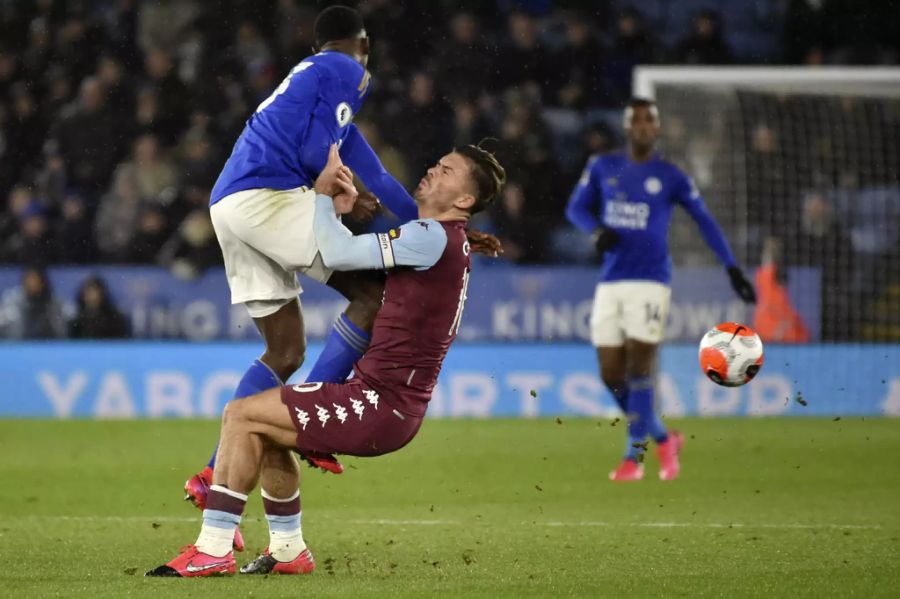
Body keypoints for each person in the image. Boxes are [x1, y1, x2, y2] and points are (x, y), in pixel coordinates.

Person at [183, 5, 501, 538]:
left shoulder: (315, 89)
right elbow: (319, 157)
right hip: (265, 198)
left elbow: (375, 174)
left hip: (230, 205)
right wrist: (339, 199)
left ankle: (212, 476)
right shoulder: (346, 71)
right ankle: (310, 427)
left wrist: (452, 231)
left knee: (285, 350)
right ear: (363, 46)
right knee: (377, 293)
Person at [146, 142, 505, 577]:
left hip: (375, 404)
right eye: (437, 162)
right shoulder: (444, 240)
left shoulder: (429, 238)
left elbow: (335, 254)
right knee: (269, 430)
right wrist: (339, 209)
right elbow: (369, 244)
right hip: (388, 406)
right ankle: (287, 550)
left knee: (240, 416)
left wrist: (320, 196)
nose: (432, 169)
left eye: (446, 171)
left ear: (464, 200)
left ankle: (213, 548)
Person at [565, 98, 756, 482]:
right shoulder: (603, 166)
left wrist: (731, 266)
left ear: (658, 129)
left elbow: (704, 221)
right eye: (635, 120)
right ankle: (664, 437)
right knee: (609, 373)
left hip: (651, 282)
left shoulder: (670, 176)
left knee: (639, 367)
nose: (642, 127)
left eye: (648, 121)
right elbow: (576, 209)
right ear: (626, 126)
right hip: (612, 281)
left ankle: (633, 459)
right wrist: (597, 231)